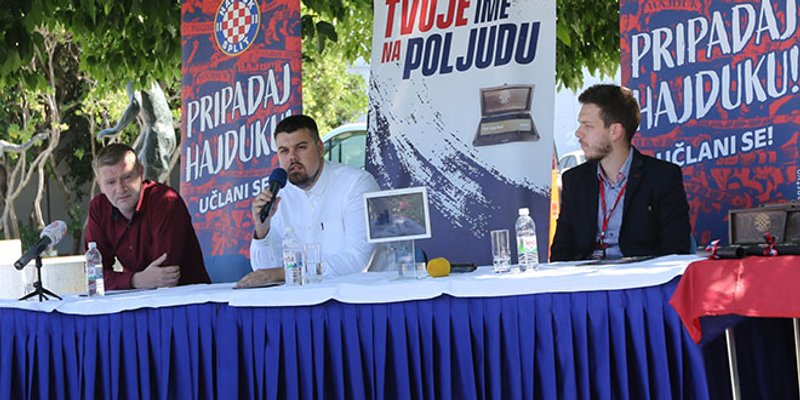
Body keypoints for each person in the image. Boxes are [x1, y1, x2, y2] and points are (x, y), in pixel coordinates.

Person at [550, 84, 691, 261]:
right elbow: (561, 252)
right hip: (585, 276)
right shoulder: (574, 180)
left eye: (587, 126)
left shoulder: (662, 177)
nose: (579, 133)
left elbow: (676, 249)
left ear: (615, 131)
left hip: (641, 276)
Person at [245, 114, 378, 283]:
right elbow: (264, 271)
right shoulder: (278, 193)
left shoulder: (356, 184)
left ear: (320, 148)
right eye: (284, 151)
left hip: (356, 294)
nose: (292, 157)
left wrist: (287, 273)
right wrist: (262, 228)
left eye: (301, 147)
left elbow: (357, 260)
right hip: (299, 296)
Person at [85, 143, 210, 289]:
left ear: (141, 173)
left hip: (188, 297)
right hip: (135, 297)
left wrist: (129, 281)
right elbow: (94, 277)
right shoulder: (99, 208)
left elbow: (164, 275)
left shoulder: (165, 201)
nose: (120, 189)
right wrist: (135, 280)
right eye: (110, 182)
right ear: (100, 185)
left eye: (127, 177)